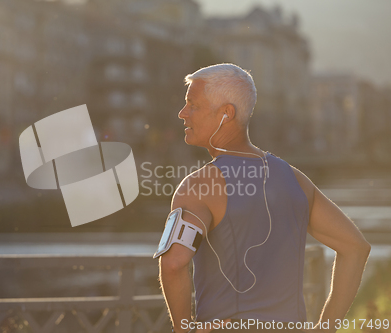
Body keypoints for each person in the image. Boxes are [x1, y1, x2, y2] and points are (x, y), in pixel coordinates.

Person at [157, 63, 371, 333]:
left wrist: (183, 330)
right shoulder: (296, 180)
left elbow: (174, 263)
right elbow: (355, 247)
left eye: (193, 105)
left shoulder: (199, 186)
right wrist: (326, 328)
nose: (182, 113)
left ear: (226, 114)